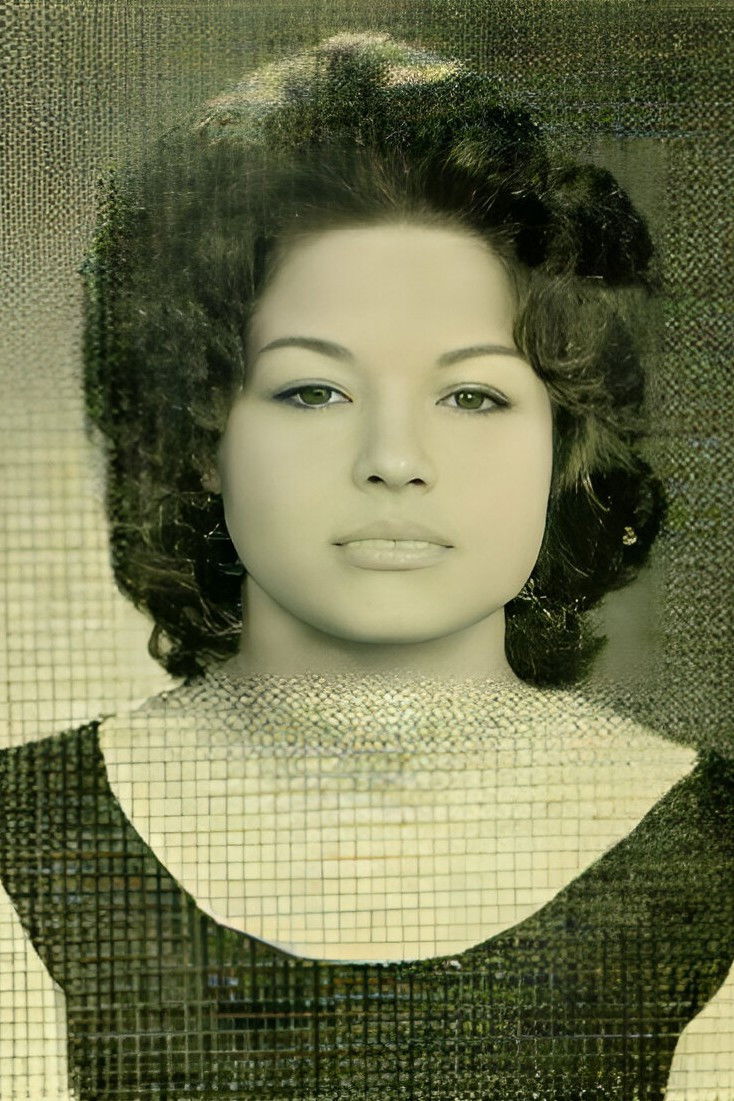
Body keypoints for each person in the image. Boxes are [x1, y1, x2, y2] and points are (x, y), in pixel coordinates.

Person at [1, 31, 732, 1100]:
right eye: (314, 390)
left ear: (564, 441)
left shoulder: (713, 864)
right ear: (201, 434)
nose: (394, 459)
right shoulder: (26, 847)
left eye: (472, 395)